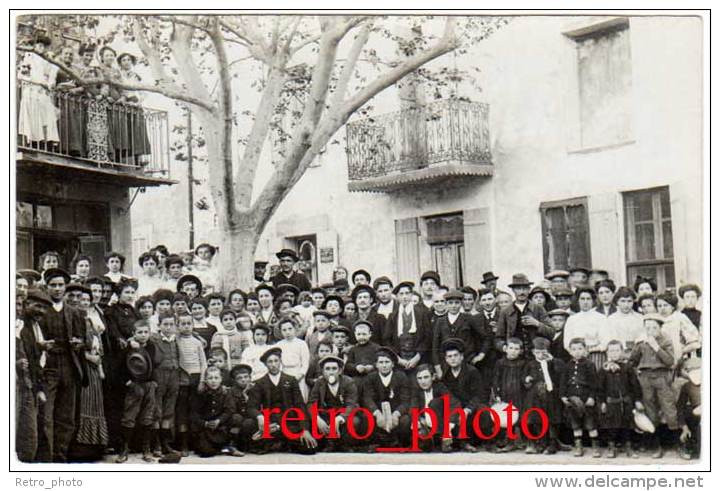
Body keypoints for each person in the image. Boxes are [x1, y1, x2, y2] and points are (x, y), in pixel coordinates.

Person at [38, 268, 87, 463]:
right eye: (53, 285)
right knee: (46, 414)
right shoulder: (41, 310)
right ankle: (47, 456)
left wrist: (79, 342)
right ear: (47, 287)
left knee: (66, 416)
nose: (57, 289)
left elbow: (83, 339)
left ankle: (61, 455)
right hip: (48, 365)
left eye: (60, 285)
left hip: (69, 364)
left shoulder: (74, 312)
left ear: (65, 288)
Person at [247, 347, 317, 454]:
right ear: (265, 364)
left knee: (309, 448)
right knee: (253, 440)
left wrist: (305, 429)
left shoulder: (291, 380)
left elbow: (300, 405)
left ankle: (281, 442)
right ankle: (281, 442)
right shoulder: (259, 383)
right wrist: (260, 416)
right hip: (269, 423)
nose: (273, 364)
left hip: (289, 422)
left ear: (280, 362)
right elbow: (251, 407)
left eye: (276, 361)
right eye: (270, 362)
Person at [627, 314, 678, 459]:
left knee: (668, 408)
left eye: (654, 327)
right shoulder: (641, 341)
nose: (651, 330)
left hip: (662, 376)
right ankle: (655, 444)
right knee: (650, 410)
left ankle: (676, 441)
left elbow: (669, 361)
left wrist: (656, 347)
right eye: (647, 327)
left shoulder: (666, 339)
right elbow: (632, 361)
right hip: (645, 378)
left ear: (660, 328)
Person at [16, 289, 52, 462]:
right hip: (23, 384)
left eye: (45, 308)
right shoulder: (21, 325)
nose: (41, 311)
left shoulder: (36, 325)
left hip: (34, 383)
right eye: (38, 306)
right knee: (27, 433)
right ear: (26, 304)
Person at [75, 286, 109, 458]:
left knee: (96, 404)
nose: (84, 303)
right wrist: (89, 357)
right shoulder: (74, 320)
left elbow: (99, 346)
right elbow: (73, 346)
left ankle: (95, 447)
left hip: (95, 370)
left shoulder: (91, 322)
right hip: (82, 368)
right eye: (81, 300)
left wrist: (99, 362)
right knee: (84, 405)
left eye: (87, 301)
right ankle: (82, 449)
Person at [440, 338, 491, 453]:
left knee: (484, 411)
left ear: (462, 357)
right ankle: (458, 441)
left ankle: (488, 441)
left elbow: (478, 395)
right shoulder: (446, 374)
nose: (453, 359)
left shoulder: (472, 371)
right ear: (446, 359)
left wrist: (468, 409)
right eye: (449, 356)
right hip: (455, 407)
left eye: (455, 355)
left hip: (471, 406)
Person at [116, 320, 156, 463]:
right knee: (129, 417)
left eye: (146, 332)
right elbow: (119, 368)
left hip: (148, 386)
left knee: (148, 417)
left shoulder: (151, 346)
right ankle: (124, 450)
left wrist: (153, 382)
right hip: (134, 387)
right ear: (133, 334)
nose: (143, 335)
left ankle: (146, 449)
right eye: (140, 332)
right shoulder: (128, 348)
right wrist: (129, 383)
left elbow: (154, 364)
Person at [597, 340, 643, 459]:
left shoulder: (627, 368)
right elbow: (599, 387)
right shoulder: (603, 369)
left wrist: (637, 400)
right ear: (607, 352)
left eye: (617, 350)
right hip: (611, 402)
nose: (614, 353)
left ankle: (628, 447)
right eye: (611, 350)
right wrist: (602, 402)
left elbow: (635, 385)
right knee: (611, 426)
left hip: (626, 402)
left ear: (622, 352)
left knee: (627, 425)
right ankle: (612, 447)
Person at [307, 355, 360, 452]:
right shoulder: (319, 382)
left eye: (334, 369)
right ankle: (328, 443)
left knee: (354, 421)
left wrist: (340, 418)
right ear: (322, 372)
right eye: (327, 369)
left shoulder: (348, 382)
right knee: (312, 420)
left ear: (340, 371)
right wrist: (317, 418)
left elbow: (351, 404)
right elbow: (311, 403)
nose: (331, 372)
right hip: (326, 415)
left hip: (342, 415)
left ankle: (345, 444)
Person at [361, 347, 411, 448]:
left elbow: (405, 400)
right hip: (378, 412)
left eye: (387, 362)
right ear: (376, 364)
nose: (384, 365)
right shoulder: (371, 378)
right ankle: (376, 442)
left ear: (392, 364)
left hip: (395, 412)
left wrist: (396, 414)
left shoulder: (401, 377)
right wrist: (377, 413)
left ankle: (399, 443)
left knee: (405, 420)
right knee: (366, 417)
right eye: (381, 362)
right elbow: (367, 399)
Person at [522, 337, 565, 454]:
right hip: (535, 396)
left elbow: (560, 373)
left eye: (543, 352)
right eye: (537, 352)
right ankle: (540, 442)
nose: (540, 355)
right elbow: (524, 378)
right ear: (533, 352)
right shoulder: (530, 364)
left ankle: (552, 443)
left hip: (550, 395)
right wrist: (527, 380)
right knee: (538, 418)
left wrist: (553, 361)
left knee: (552, 418)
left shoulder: (553, 363)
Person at [495, 274, 553, 358]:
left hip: (535, 357)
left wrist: (537, 324)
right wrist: (505, 348)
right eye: (518, 289)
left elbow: (552, 332)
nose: (522, 292)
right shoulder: (505, 312)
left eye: (525, 288)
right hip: (515, 358)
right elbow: (498, 338)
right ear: (513, 290)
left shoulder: (538, 309)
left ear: (529, 290)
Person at [559, 338, 600, 458]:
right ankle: (578, 446)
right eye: (574, 349)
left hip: (586, 399)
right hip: (572, 399)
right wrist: (563, 396)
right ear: (570, 351)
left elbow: (594, 383)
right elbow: (563, 383)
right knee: (575, 424)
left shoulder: (589, 365)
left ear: (586, 350)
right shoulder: (567, 366)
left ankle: (595, 447)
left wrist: (592, 397)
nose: (577, 352)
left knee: (590, 424)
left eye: (580, 349)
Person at [383, 281, 432, 378]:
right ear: (397, 297)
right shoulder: (393, 316)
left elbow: (428, 337)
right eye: (401, 294)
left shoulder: (422, 313)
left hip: (419, 358)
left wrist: (417, 357)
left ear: (411, 295)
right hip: (400, 359)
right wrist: (398, 359)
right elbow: (387, 339)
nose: (404, 297)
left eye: (407, 293)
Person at [18, 35, 59, 148]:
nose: (42, 48)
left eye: (44, 46)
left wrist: (49, 84)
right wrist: (39, 82)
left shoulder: (49, 61)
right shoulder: (29, 58)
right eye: (40, 45)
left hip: (43, 93)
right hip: (31, 91)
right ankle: (31, 142)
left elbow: (52, 80)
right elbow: (21, 75)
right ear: (35, 45)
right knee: (32, 118)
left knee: (46, 118)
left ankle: (45, 143)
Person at [409, 364, 461, 453]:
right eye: (420, 378)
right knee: (423, 446)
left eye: (426, 377)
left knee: (434, 403)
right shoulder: (416, 390)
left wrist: (449, 427)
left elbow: (455, 403)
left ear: (433, 377)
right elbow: (413, 407)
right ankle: (432, 442)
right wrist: (416, 420)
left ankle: (445, 440)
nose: (423, 381)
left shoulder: (440, 387)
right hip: (427, 426)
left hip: (443, 426)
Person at [148, 314, 181, 456]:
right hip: (159, 375)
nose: (168, 327)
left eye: (171, 324)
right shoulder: (154, 340)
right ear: (159, 325)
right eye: (165, 324)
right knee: (157, 410)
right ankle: (156, 444)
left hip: (174, 375)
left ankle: (166, 443)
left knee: (169, 410)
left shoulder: (176, 339)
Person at [175, 312, 207, 456]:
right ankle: (183, 444)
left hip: (196, 378)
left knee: (195, 411)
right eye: (183, 324)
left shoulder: (197, 342)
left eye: (189, 323)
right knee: (182, 412)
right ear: (178, 325)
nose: (186, 327)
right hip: (181, 379)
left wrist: (202, 381)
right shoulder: (175, 340)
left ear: (193, 325)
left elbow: (203, 363)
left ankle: (197, 442)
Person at [563, 287, 613, 370]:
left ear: (593, 301)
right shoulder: (572, 319)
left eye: (588, 299)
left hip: (596, 356)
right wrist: (578, 352)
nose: (585, 302)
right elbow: (567, 343)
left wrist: (590, 350)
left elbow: (605, 341)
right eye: (582, 299)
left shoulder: (601, 318)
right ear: (578, 300)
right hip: (576, 355)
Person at [492, 337, 526, 453]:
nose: (513, 351)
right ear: (505, 349)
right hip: (505, 394)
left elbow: (524, 379)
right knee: (508, 418)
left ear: (521, 351)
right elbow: (496, 380)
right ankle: (510, 442)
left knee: (521, 417)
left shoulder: (523, 363)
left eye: (516, 349)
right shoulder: (500, 363)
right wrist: (497, 394)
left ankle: (524, 441)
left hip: (519, 394)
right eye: (511, 348)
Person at [431, 290, 475, 378]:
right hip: (446, 364)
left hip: (465, 362)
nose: (454, 306)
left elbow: (481, 338)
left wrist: (480, 355)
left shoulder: (468, 318)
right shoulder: (440, 321)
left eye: (457, 303)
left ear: (461, 304)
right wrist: (438, 367)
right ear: (446, 304)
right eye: (450, 303)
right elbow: (435, 345)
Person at [116, 51, 151, 163]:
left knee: (137, 131)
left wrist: (138, 103)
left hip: (134, 104)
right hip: (123, 103)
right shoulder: (118, 75)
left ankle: (139, 158)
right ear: (120, 63)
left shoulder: (137, 76)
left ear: (132, 62)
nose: (126, 62)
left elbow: (143, 92)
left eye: (128, 60)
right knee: (125, 132)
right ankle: (123, 158)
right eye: (123, 60)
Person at [190, 366, 232, 458]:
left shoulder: (225, 393)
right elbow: (194, 413)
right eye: (210, 378)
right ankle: (220, 449)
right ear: (205, 380)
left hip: (220, 426)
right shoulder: (200, 394)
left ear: (221, 379)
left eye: (216, 378)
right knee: (206, 452)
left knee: (228, 427)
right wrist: (205, 423)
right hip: (205, 428)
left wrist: (219, 420)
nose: (213, 381)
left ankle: (227, 446)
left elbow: (228, 410)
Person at [655, 292, 701, 365]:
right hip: (659, 361)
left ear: (673, 306)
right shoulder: (655, 319)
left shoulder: (680, 318)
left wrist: (680, 351)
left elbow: (695, 343)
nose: (662, 308)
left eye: (665, 305)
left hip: (679, 361)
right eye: (659, 306)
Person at [223, 364, 256, 455]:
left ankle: (248, 445)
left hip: (250, 419)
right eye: (239, 378)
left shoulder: (255, 389)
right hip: (236, 420)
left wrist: (246, 395)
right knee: (236, 418)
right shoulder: (232, 391)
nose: (243, 380)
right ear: (235, 380)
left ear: (250, 377)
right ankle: (232, 444)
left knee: (250, 422)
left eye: (246, 377)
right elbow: (231, 409)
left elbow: (256, 407)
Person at [276, 317, 311, 400]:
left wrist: (299, 376)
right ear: (281, 332)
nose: (287, 332)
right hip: (284, 375)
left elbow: (305, 363)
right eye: (284, 330)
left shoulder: (301, 344)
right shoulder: (279, 345)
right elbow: (278, 363)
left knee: (299, 398)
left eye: (290, 329)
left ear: (295, 329)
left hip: (298, 374)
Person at [676, 357, 701, 460]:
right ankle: (689, 445)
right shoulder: (687, 386)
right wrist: (684, 427)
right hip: (697, 416)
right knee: (690, 412)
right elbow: (680, 408)